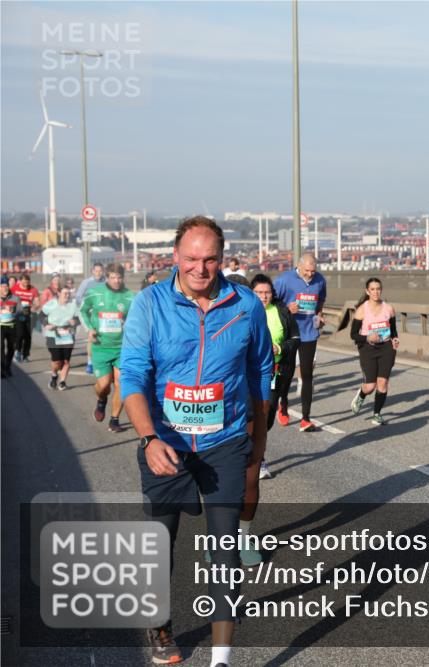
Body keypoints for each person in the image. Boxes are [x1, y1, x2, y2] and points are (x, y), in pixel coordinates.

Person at [120, 216, 272, 667]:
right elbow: (132, 374)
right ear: (175, 258)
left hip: (224, 442)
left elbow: (260, 372)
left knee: (224, 551)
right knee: (159, 546)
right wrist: (148, 438)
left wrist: (259, 441)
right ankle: (160, 623)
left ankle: (221, 657)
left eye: (209, 259)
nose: (200, 269)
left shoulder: (245, 305)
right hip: (165, 441)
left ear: (222, 259)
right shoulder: (150, 304)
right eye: (191, 259)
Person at [273, 252, 326, 432]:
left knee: (307, 374)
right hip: (290, 333)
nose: (311, 274)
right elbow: (270, 302)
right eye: (307, 271)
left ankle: (305, 418)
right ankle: (284, 404)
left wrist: (320, 316)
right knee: (287, 374)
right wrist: (286, 308)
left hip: (310, 333)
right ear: (299, 266)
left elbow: (320, 303)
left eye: (313, 271)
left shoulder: (320, 280)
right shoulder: (284, 280)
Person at [80, 264, 135, 433]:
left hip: (122, 347)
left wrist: (130, 324)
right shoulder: (95, 292)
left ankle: (114, 419)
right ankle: (102, 400)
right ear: (107, 277)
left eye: (119, 277)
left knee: (121, 384)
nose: (116, 281)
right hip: (101, 347)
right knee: (104, 385)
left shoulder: (130, 296)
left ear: (123, 277)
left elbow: (137, 319)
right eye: (112, 277)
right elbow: (83, 310)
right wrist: (89, 328)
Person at [250, 273, 299, 441]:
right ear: (252, 293)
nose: (264, 296)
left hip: (273, 371)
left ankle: (259, 450)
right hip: (247, 371)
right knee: (249, 413)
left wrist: (280, 348)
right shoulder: (244, 310)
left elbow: (295, 339)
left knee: (268, 412)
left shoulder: (281, 310)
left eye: (267, 292)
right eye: (259, 292)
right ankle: (251, 452)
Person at [349, 278, 400, 425]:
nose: (376, 292)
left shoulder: (388, 308)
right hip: (368, 348)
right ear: (367, 291)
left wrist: (395, 339)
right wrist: (367, 337)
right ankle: (362, 394)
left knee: (383, 383)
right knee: (370, 386)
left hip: (386, 347)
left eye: (378, 289)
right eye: (372, 289)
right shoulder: (362, 310)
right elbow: (353, 334)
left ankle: (377, 414)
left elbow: (393, 330)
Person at [40, 285, 79, 390]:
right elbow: (42, 315)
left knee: (66, 361)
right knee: (57, 361)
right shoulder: (52, 303)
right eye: (64, 293)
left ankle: (62, 382)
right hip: (53, 334)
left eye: (68, 293)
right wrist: (46, 324)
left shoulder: (73, 305)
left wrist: (75, 321)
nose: (67, 295)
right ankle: (54, 376)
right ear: (59, 294)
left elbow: (78, 318)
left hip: (68, 335)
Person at [75, 263, 106, 374]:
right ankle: (90, 363)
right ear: (92, 271)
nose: (98, 273)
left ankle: (101, 360)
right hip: (89, 313)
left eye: (100, 271)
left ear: (103, 271)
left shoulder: (106, 282)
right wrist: (87, 307)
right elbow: (78, 297)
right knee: (91, 336)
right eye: (96, 271)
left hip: (102, 314)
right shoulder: (86, 282)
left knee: (103, 336)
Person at [9, 273, 39, 363]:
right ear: (20, 281)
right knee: (20, 333)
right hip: (18, 314)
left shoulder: (33, 289)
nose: (26, 283)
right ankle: (17, 351)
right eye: (24, 281)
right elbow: (9, 299)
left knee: (28, 336)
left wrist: (35, 307)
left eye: (28, 281)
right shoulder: (15, 288)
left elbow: (37, 302)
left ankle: (25, 355)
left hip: (29, 314)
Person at [1, 279, 23, 378]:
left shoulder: (15, 298)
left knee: (11, 348)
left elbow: (20, 311)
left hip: (12, 326)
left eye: (6, 286)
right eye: (2, 286)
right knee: (0, 348)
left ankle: (7, 366)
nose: (5, 288)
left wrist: (12, 312)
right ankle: (1, 370)